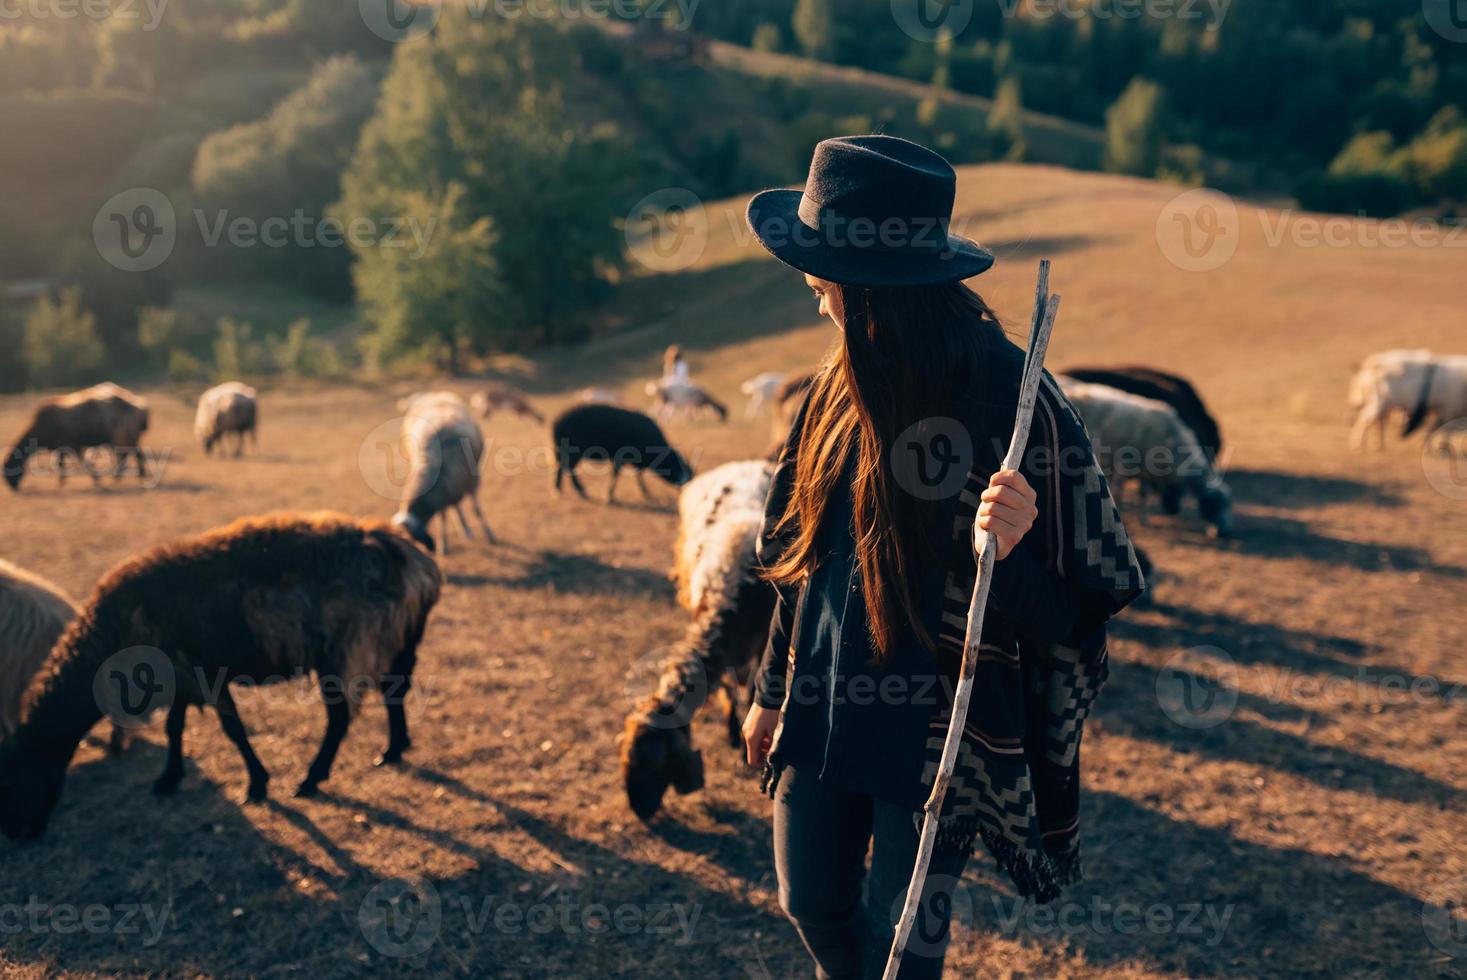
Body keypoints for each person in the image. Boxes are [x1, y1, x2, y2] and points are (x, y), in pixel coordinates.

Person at [740, 135, 1146, 979]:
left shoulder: (1009, 396)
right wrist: (770, 692)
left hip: (935, 728)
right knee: (807, 899)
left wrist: (1015, 547)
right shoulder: (834, 385)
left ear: (873, 292)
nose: (818, 308)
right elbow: (795, 557)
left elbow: (1079, 613)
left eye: (823, 291)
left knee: (906, 944)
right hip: (820, 701)